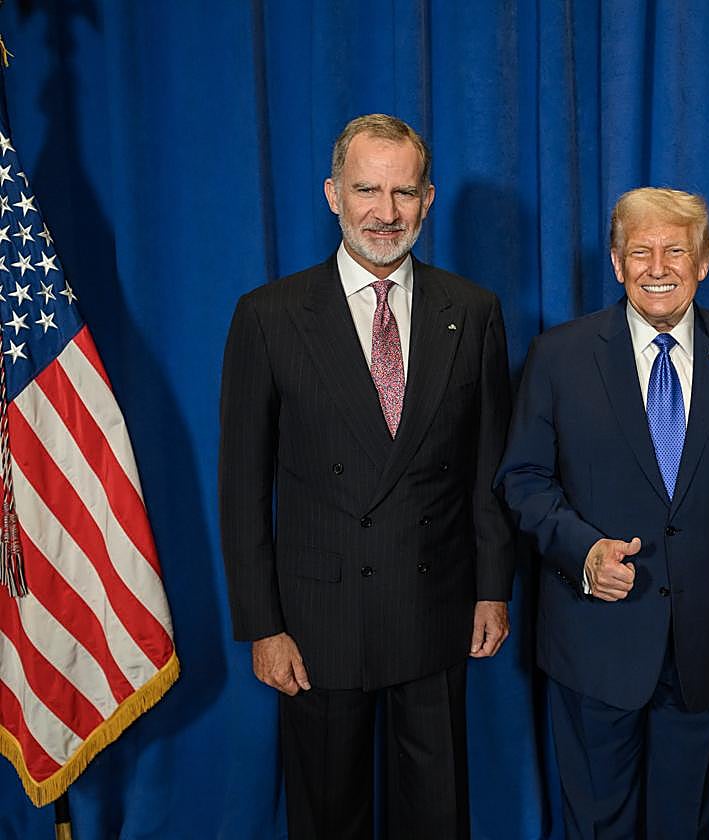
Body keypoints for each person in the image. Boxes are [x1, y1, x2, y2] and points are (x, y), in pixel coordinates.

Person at [219, 114, 515, 840]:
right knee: (328, 819)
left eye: (403, 193)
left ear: (428, 200)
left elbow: (488, 469)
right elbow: (241, 489)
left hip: (435, 605)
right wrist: (263, 626)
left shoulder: (473, 311)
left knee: (438, 818)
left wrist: (492, 588)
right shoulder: (269, 316)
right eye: (366, 190)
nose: (386, 212)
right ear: (333, 195)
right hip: (318, 621)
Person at [496, 187, 709, 839]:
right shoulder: (559, 356)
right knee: (596, 825)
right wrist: (583, 550)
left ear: (704, 261)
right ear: (615, 261)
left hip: (706, 643)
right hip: (593, 640)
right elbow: (523, 479)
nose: (658, 267)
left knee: (686, 826)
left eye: (676, 251)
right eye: (640, 251)